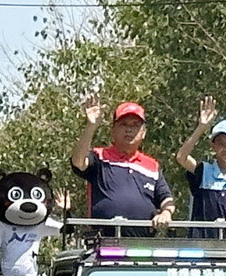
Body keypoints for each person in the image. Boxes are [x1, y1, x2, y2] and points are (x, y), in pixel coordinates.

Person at [70, 96, 175, 235]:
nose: (129, 130)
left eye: (135, 125)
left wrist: (166, 213)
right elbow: (78, 161)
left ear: (143, 132)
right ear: (113, 130)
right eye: (124, 124)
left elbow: (166, 197)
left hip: (142, 248)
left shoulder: (152, 166)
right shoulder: (99, 157)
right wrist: (91, 126)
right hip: (104, 246)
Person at [175, 95, 226, 239]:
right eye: (221, 143)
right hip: (198, 249)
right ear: (212, 146)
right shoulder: (204, 171)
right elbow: (181, 157)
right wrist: (201, 127)